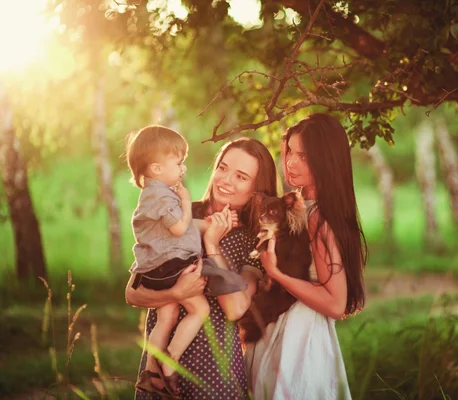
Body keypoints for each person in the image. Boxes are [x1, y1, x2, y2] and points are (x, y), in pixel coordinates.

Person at [126, 137, 278, 400]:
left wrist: (211, 243)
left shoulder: (255, 240)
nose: (226, 180)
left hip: (215, 376)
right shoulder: (180, 215)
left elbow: (235, 308)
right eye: (223, 167)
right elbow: (133, 293)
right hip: (157, 373)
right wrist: (176, 293)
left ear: (257, 190)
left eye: (241, 177)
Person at [244, 113, 368, 400]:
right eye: (289, 151)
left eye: (304, 155)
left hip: (298, 334)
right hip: (286, 322)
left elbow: (336, 303)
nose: (290, 161)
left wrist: (276, 274)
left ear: (326, 160)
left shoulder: (317, 218)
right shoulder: (304, 205)